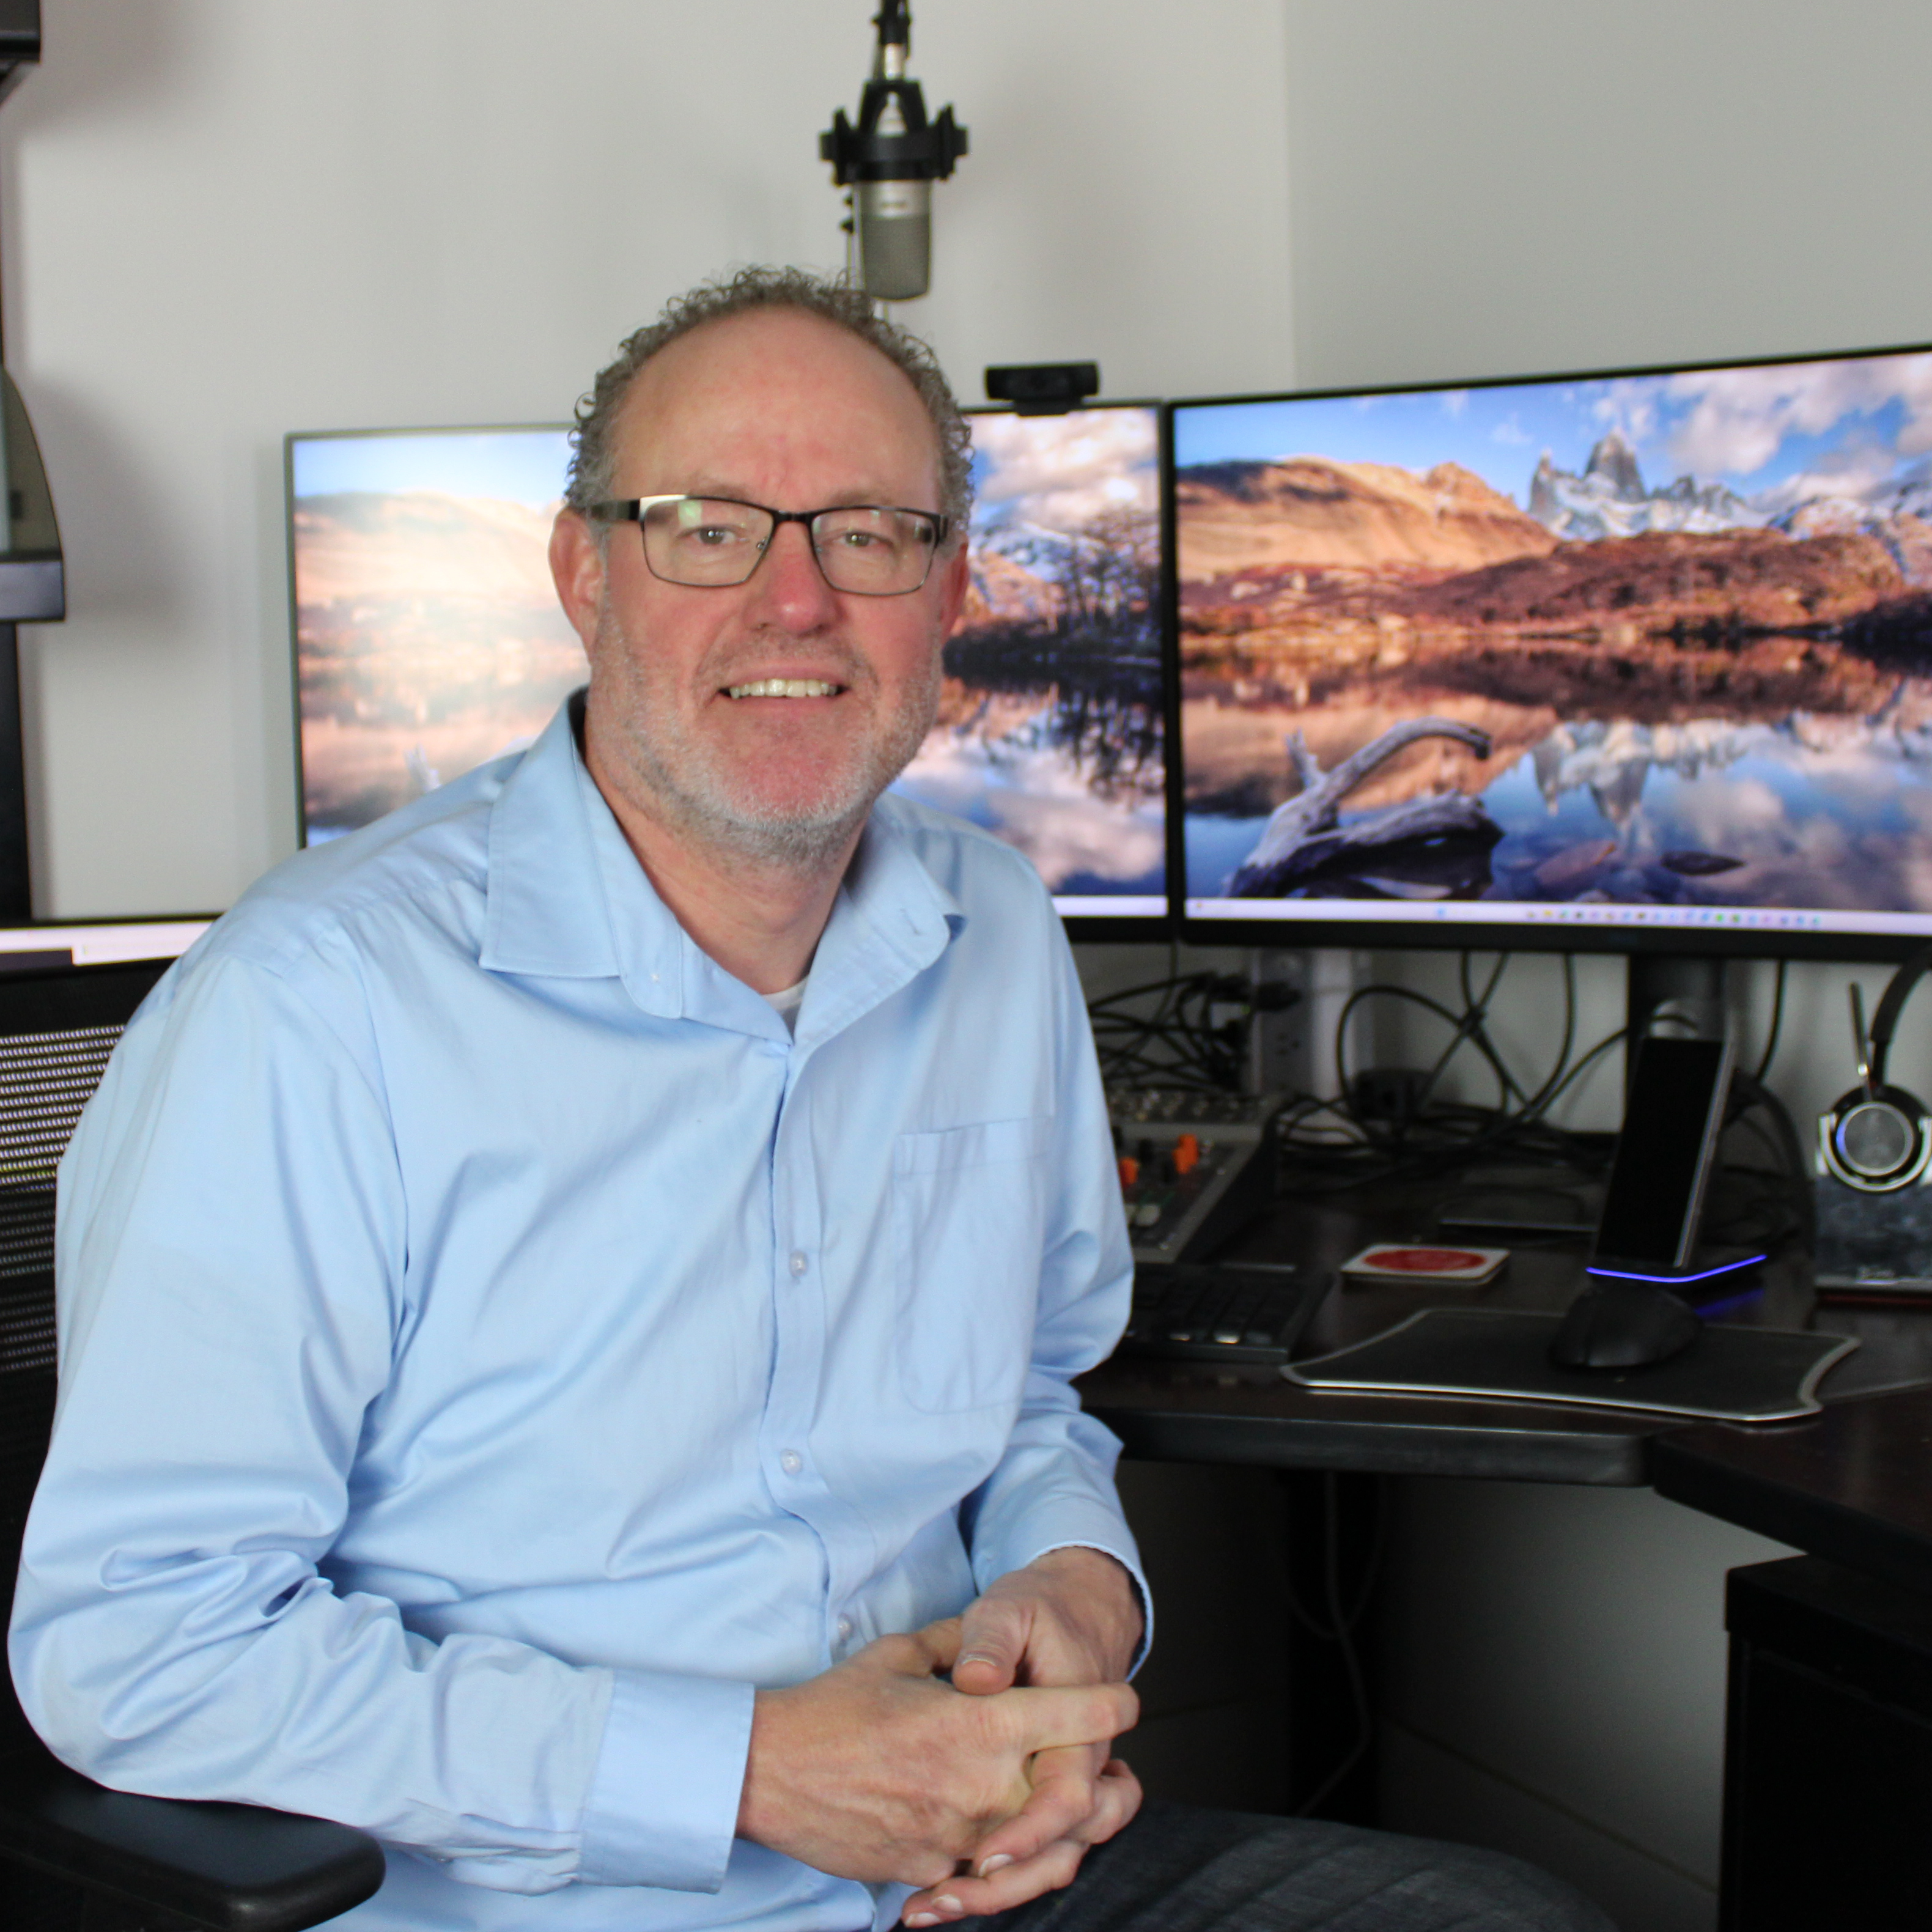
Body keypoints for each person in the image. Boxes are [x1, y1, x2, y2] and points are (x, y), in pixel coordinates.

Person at [10, 268, 1610, 1932]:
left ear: (950, 591)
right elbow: (137, 1649)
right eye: (708, 526)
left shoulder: (992, 933)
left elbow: (1026, 1404)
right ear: (583, 573)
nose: (795, 602)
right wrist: (750, 1773)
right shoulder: (309, 1009)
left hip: (974, 1877)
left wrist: (1074, 1596)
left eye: (866, 532)